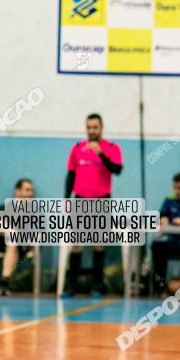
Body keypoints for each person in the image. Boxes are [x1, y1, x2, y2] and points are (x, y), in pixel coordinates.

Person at [64, 113, 123, 298]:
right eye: (88, 127)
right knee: (76, 244)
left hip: (102, 199)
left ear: (101, 127)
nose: (91, 131)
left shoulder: (112, 148)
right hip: (80, 199)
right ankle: (71, 286)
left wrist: (101, 154)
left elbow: (117, 169)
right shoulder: (77, 148)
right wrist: (67, 198)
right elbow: (71, 174)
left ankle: (97, 286)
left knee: (98, 244)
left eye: (95, 127)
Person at [0, 178, 35, 296]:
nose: (31, 194)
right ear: (17, 191)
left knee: (12, 239)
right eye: (27, 190)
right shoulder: (4, 207)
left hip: (19, 245)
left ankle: (4, 284)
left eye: (31, 191)